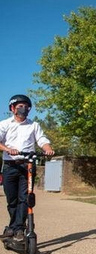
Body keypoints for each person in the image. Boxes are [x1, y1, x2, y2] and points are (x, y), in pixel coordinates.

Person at [0, 94, 55, 241]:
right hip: (10, 166)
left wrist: (47, 148)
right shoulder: (5, 124)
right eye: (20, 106)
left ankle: (19, 229)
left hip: (27, 166)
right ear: (12, 108)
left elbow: (42, 140)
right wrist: (7, 149)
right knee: (12, 200)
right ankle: (12, 227)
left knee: (25, 199)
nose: (23, 109)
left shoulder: (34, 125)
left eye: (26, 106)